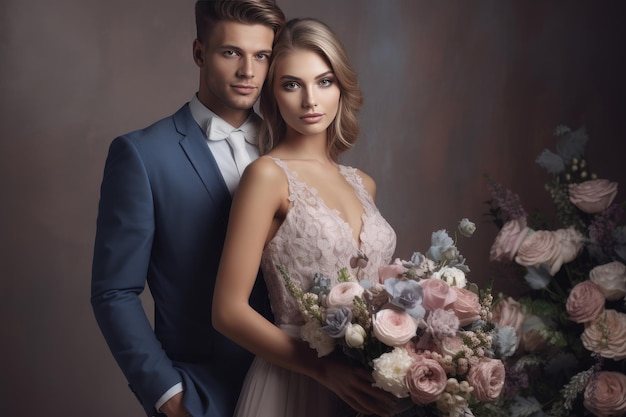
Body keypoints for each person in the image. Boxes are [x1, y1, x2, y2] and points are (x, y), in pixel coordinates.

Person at [90, 2, 285, 417]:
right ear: (199, 53)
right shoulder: (142, 155)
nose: (248, 71)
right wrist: (168, 395)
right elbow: (114, 291)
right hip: (205, 393)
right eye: (231, 52)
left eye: (262, 56)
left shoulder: (290, 145)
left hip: (298, 382)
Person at [212, 18, 399, 417]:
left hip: (367, 383)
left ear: (341, 87)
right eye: (291, 84)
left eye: (324, 81)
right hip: (295, 382)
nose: (310, 100)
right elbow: (228, 311)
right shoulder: (267, 176)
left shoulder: (363, 183)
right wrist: (323, 369)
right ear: (272, 96)